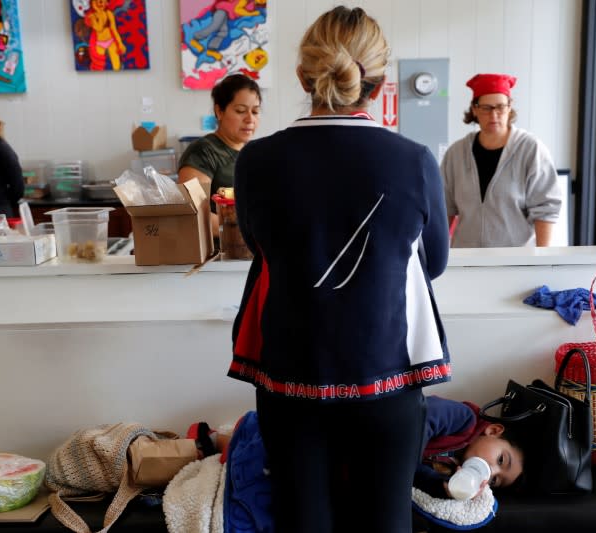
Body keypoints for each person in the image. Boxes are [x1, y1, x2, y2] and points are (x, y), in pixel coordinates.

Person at [227, 6, 451, 533]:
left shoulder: (256, 160)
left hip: (289, 372)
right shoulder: (414, 160)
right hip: (388, 371)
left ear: (304, 76)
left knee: (303, 520)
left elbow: (260, 247)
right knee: (387, 521)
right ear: (377, 79)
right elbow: (433, 263)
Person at [441, 73, 562, 248]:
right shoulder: (456, 153)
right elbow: (444, 208)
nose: (494, 115)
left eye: (500, 107)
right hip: (466, 257)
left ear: (510, 107)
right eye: (486, 108)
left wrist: (542, 260)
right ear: (474, 109)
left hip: (516, 258)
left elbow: (546, 208)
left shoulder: (530, 149)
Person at [177, 73, 261, 231]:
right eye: (241, 110)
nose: (250, 119)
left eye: (255, 112)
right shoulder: (203, 152)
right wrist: (249, 232)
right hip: (219, 252)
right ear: (219, 111)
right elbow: (192, 213)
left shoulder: (254, 152)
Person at [415, 395, 525, 499]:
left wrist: (443, 487)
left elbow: (416, 475)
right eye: (500, 460)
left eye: (493, 481)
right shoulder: (464, 417)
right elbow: (420, 418)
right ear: (493, 431)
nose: (491, 472)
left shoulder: (453, 469)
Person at [84, 0, 126, 71]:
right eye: (96, 1)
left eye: (103, 1)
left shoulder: (109, 13)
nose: (100, 3)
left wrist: (120, 43)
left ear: (106, 3)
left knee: (116, 65)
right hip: (99, 43)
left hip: (111, 41)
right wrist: (97, 15)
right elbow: (99, 28)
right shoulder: (91, 17)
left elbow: (114, 30)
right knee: (98, 65)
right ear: (92, 3)